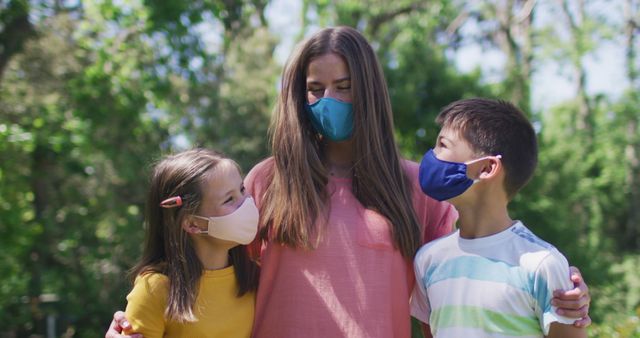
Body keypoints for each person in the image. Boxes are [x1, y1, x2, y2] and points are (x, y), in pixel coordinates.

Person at [106, 27, 590, 338]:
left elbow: (469, 279)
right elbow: (206, 270)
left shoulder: (416, 186)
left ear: (369, 91)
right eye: (315, 89)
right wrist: (144, 320)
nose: (327, 100)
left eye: (343, 87)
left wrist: (558, 293)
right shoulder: (265, 180)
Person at [411, 98, 587, 337]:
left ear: (486, 168)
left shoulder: (541, 264)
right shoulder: (428, 261)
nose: (432, 156)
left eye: (443, 145)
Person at [121, 148, 259, 338]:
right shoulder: (155, 289)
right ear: (192, 223)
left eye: (242, 190)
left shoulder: (256, 276)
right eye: (229, 199)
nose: (246, 203)